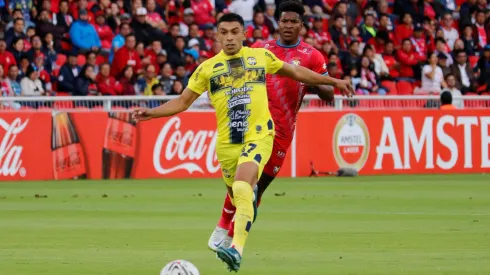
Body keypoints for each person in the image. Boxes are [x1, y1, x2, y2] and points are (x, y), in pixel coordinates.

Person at [132, 13, 353, 272]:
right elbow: (182, 102)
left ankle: (236, 249)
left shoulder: (259, 57)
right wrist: (152, 112)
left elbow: (295, 71)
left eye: (234, 31)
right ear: (216, 36)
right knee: (237, 195)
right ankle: (236, 217)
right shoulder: (207, 68)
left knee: (242, 185)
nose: (229, 37)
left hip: (259, 135)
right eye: (223, 32)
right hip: (227, 144)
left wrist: (334, 80)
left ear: (244, 34)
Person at [209, 1, 341, 254]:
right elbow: (236, 71)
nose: (288, 25)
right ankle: (226, 233)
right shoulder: (260, 49)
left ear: (301, 26)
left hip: (281, 132)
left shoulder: (312, 56)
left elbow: (328, 95)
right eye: (284, 21)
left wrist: (305, 77)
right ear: (277, 23)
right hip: (250, 125)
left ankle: (232, 235)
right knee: (243, 183)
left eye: (293, 21)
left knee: (255, 191)